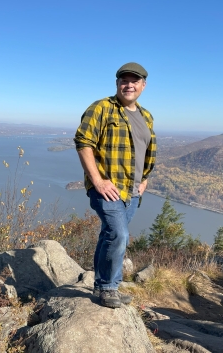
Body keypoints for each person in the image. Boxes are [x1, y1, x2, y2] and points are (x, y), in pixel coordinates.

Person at [74, 62, 156, 308]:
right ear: (117, 83)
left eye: (134, 81)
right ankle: (109, 287)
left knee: (109, 235)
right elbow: (83, 141)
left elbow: (146, 151)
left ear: (143, 85)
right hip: (107, 189)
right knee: (119, 234)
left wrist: (144, 181)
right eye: (124, 80)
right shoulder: (101, 108)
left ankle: (104, 286)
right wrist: (97, 180)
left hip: (132, 191)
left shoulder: (146, 116)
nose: (128, 84)